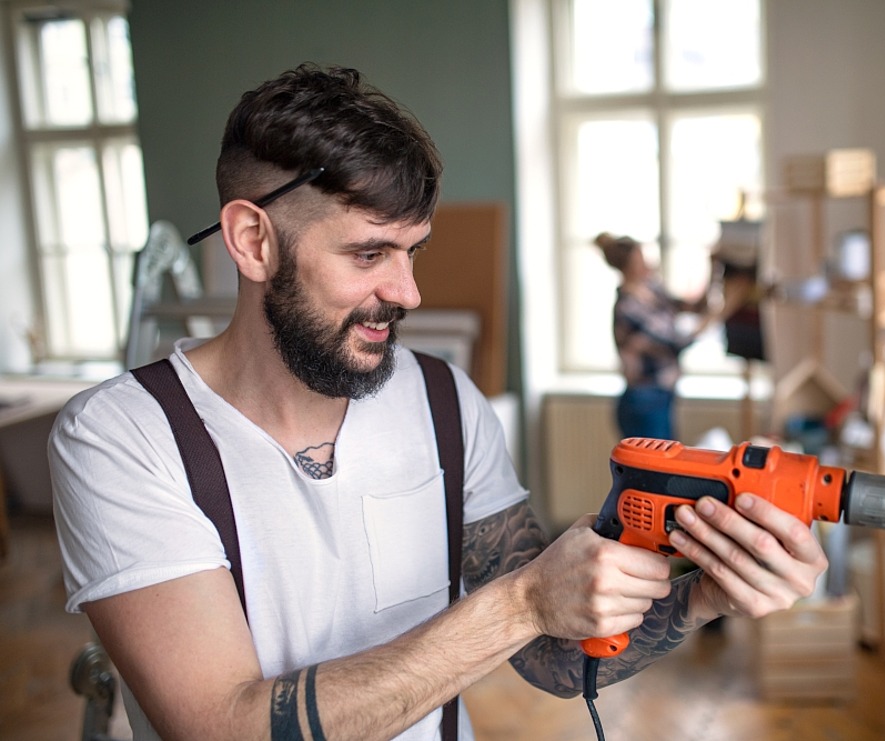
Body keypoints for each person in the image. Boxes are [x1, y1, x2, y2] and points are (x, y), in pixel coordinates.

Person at [49, 64, 827, 741]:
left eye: (411, 251)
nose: (408, 292)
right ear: (253, 241)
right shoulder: (121, 438)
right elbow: (225, 728)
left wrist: (706, 593)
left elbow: (553, 655)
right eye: (367, 253)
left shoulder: (443, 401)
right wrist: (520, 602)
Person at [594, 232, 713, 440]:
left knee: (667, 464)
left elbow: (692, 307)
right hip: (644, 401)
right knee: (656, 469)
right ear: (630, 265)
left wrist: (714, 270)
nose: (649, 262)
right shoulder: (628, 307)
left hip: (662, 396)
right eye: (642, 258)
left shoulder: (653, 290)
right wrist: (716, 318)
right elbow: (674, 343)